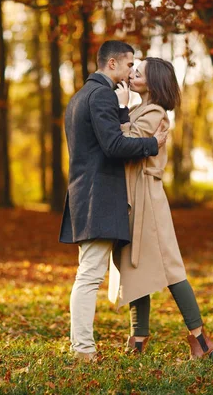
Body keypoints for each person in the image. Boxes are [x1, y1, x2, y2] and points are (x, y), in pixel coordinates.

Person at [59, 41, 169, 361]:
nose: (132, 71)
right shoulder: (102, 94)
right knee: (89, 276)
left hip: (86, 195)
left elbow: (102, 139)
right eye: (128, 64)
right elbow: (114, 145)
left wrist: (122, 109)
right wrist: (152, 143)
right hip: (99, 198)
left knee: (88, 273)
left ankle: (84, 347)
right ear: (111, 65)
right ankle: (82, 349)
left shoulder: (81, 96)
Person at [108, 57, 213, 360]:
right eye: (133, 69)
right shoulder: (139, 110)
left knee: (170, 267)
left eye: (138, 72)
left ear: (153, 83)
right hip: (133, 195)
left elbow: (125, 142)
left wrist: (119, 109)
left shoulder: (155, 112)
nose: (131, 74)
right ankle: (138, 338)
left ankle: (200, 339)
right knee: (135, 265)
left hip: (148, 197)